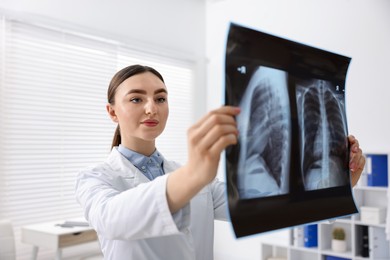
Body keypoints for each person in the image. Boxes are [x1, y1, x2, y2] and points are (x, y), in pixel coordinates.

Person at [75, 64, 366, 260]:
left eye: (160, 98)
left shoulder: (193, 179)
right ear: (112, 112)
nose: (152, 108)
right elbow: (113, 219)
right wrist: (192, 175)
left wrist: (339, 185)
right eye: (136, 99)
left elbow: (272, 207)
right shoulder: (95, 178)